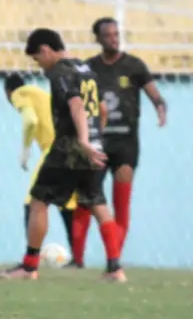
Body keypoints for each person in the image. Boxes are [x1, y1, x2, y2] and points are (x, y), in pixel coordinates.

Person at [0, 28, 126, 282]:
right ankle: (115, 269)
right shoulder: (87, 70)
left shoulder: (60, 72)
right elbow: (101, 110)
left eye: (37, 59)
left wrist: (82, 140)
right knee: (98, 203)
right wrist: (95, 139)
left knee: (39, 201)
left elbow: (75, 104)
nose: (39, 65)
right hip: (94, 148)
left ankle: (29, 266)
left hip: (70, 148)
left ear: (45, 50)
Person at [71, 17, 167, 265]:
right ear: (98, 39)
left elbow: (154, 94)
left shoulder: (134, 66)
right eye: (108, 35)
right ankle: (77, 260)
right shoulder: (89, 68)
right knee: (86, 200)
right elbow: (75, 101)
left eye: (116, 34)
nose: (114, 39)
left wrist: (160, 107)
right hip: (98, 143)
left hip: (126, 144)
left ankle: (113, 261)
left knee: (121, 205)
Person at [3, 74, 78, 256]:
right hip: (70, 149)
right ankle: (77, 257)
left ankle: (31, 257)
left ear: (8, 92)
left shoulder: (19, 94)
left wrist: (25, 150)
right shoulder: (40, 94)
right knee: (67, 205)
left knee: (32, 201)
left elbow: (30, 121)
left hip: (53, 151)